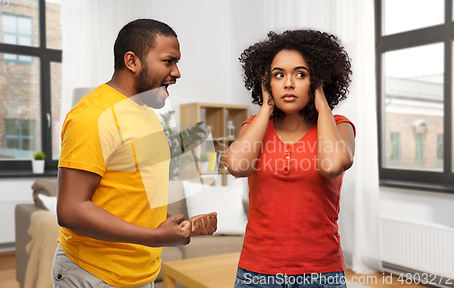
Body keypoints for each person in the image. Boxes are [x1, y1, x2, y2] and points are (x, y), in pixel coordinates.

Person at [52, 19, 217, 288]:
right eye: (168, 61)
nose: (177, 72)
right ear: (132, 61)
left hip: (141, 275)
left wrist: (173, 227)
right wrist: (155, 237)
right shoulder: (93, 116)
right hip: (93, 275)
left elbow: (128, 194)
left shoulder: (146, 114)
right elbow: (71, 210)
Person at [224, 29, 355, 288]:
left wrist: (323, 105)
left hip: (321, 273)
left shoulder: (340, 127)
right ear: (266, 82)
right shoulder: (253, 126)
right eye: (278, 75)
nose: (288, 84)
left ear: (317, 80)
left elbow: (331, 166)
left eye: (301, 74)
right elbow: (237, 166)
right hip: (257, 272)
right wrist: (265, 108)